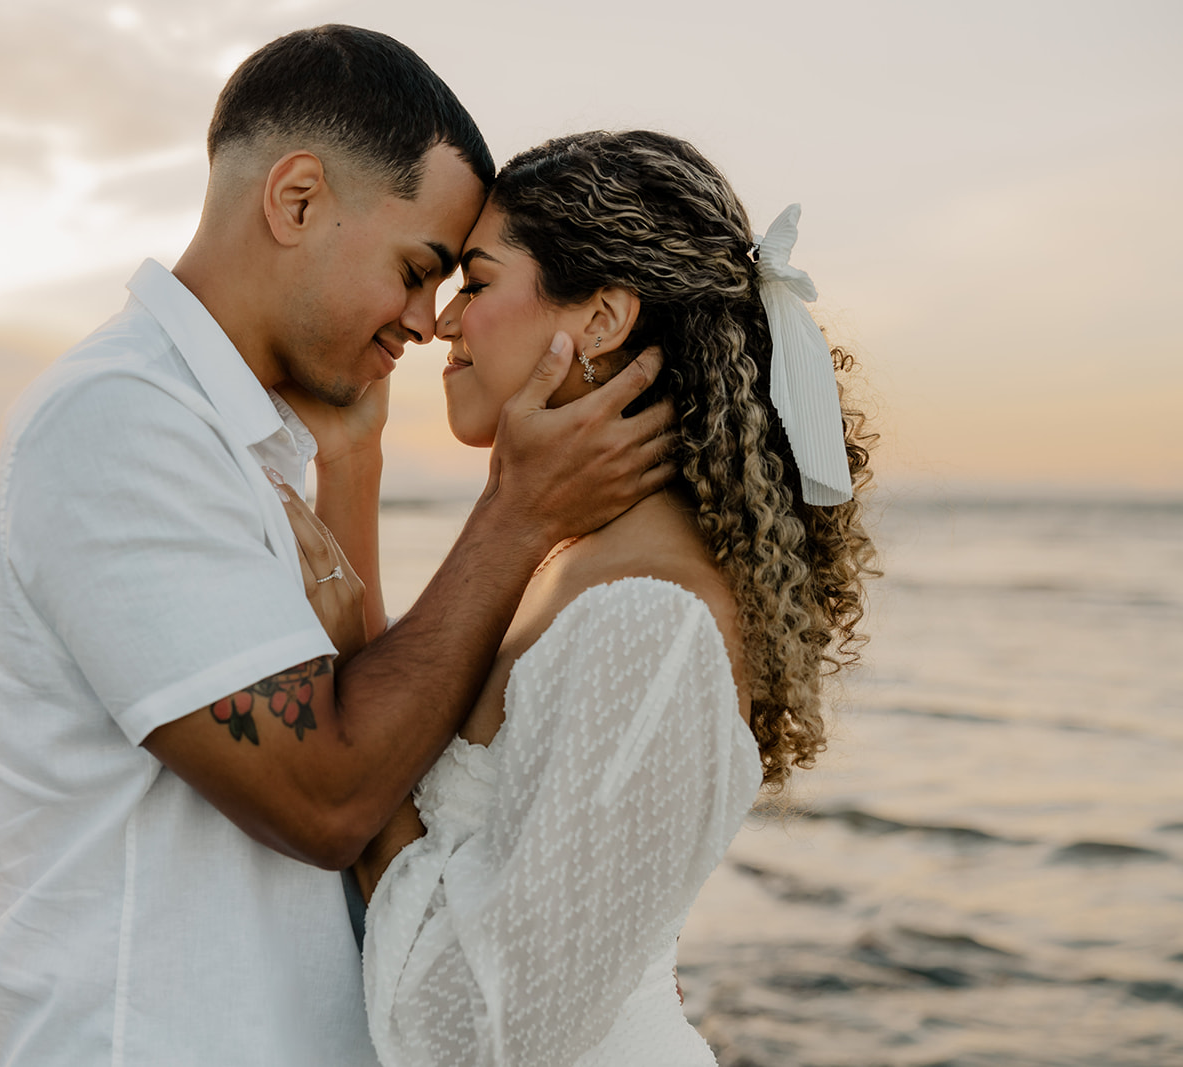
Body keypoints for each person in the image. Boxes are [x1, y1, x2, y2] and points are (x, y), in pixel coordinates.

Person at [0, 28, 676, 1067]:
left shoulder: (232, 440)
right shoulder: (119, 421)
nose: (428, 323)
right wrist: (516, 516)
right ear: (296, 200)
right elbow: (328, 796)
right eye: (418, 268)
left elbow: (367, 724)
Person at [287, 129, 877, 1065]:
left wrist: (359, 798)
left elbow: (471, 1039)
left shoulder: (650, 623)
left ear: (600, 319)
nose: (442, 322)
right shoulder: (573, 563)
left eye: (477, 282)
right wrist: (354, 464)